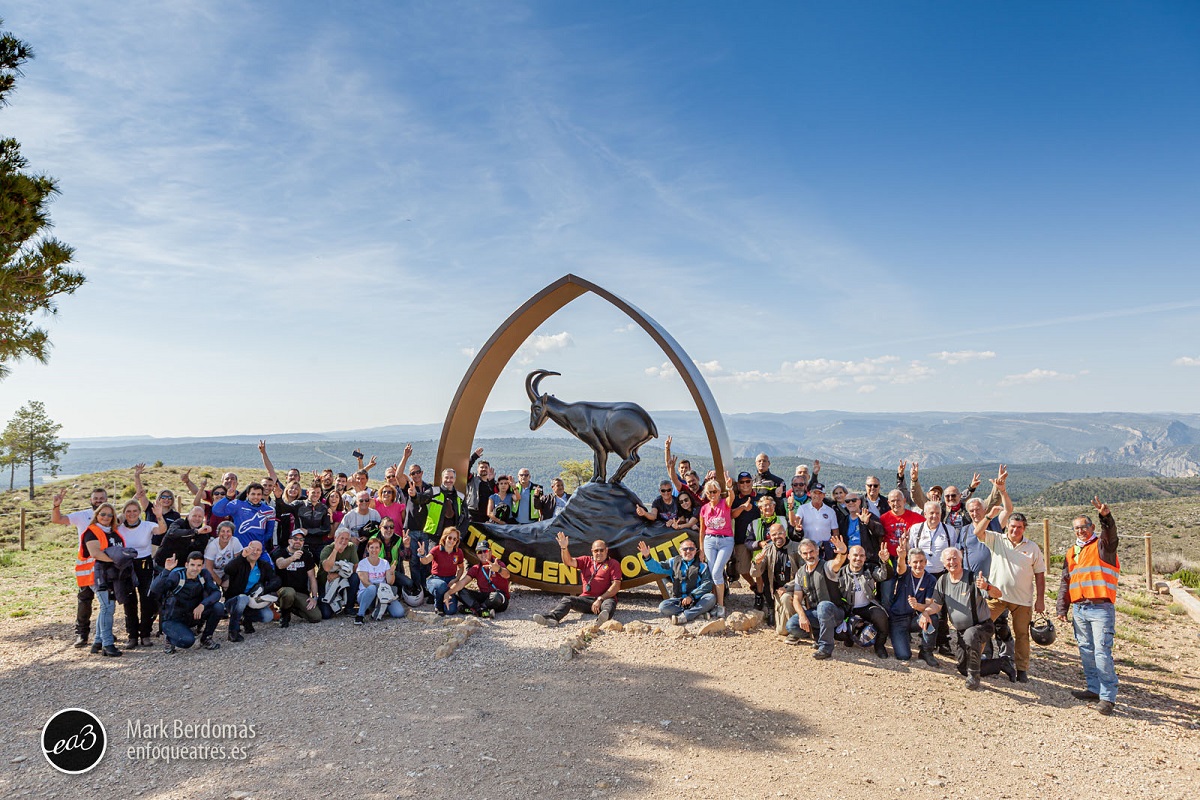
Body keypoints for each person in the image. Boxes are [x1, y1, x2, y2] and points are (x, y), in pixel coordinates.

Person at [918, 548, 1016, 689]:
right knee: (963, 668)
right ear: (944, 564)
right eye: (948, 560)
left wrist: (987, 587)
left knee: (971, 636)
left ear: (961, 559)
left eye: (954, 558)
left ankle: (974, 677)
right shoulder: (943, 580)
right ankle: (1001, 663)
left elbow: (998, 594)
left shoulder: (973, 578)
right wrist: (926, 613)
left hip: (982, 626)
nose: (952, 562)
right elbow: (936, 605)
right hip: (962, 631)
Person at [1057, 497, 1120, 715]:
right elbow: (1067, 580)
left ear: (1092, 527)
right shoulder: (1072, 551)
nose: (1080, 531)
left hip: (1100, 607)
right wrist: (1061, 608)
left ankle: (1107, 697)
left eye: (1084, 527)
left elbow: (1111, 535)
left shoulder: (1103, 546)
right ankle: (1094, 689)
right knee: (1086, 650)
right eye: (1077, 528)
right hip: (1080, 609)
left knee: (1102, 652)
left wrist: (1106, 517)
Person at [974, 507, 1045, 683]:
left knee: (1022, 635)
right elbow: (977, 532)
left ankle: (1022, 669)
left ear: (1024, 528)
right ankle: (974, 664)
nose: (1015, 530)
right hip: (996, 596)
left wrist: (1041, 600)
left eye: (1019, 527)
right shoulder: (997, 539)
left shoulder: (1032, 548)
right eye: (1012, 526)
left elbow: (1040, 574)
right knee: (983, 628)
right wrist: (990, 515)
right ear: (1008, 526)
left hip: (1022, 600)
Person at [52, 484, 108, 647]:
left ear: (106, 500)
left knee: (106, 600)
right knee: (85, 598)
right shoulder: (82, 515)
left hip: (104, 561)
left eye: (101, 499)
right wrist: (56, 506)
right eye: (96, 498)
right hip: (86, 563)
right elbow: (57, 519)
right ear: (91, 500)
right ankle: (82, 634)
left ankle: (105, 633)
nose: (98, 501)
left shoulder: (109, 515)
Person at [534, 532, 621, 626]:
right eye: (596, 551)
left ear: (606, 550)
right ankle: (552, 618)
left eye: (601, 550)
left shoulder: (613, 563)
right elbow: (569, 562)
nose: (599, 553)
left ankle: (602, 620)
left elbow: (616, 586)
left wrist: (600, 599)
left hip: (604, 599)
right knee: (567, 600)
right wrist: (564, 548)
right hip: (586, 600)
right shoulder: (586, 560)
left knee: (609, 604)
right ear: (592, 551)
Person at [785, 534, 848, 659]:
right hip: (815, 614)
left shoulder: (826, 567)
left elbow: (838, 562)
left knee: (823, 606)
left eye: (811, 551)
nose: (809, 556)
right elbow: (797, 599)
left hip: (835, 612)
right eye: (805, 553)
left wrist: (843, 552)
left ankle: (825, 647)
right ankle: (818, 634)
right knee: (791, 625)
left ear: (817, 550)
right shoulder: (800, 573)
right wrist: (803, 616)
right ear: (801, 555)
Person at [149, 551, 224, 653]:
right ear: (186, 565)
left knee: (218, 607)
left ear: (202, 566)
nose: (195, 568)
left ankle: (206, 638)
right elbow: (155, 589)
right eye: (192, 565)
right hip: (173, 619)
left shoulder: (203, 575)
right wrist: (167, 570)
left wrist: (203, 605)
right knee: (188, 641)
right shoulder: (177, 575)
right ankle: (170, 638)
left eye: (198, 565)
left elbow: (216, 592)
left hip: (192, 614)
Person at [117, 497, 166, 648]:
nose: (132, 514)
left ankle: (145, 634)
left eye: (135, 511)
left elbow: (162, 530)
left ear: (140, 512)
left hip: (144, 564)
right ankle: (132, 636)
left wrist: (159, 515)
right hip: (126, 566)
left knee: (147, 599)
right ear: (124, 513)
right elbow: (110, 524)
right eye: (128, 511)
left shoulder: (147, 525)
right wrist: (119, 517)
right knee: (129, 601)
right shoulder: (118, 527)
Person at [80, 503, 128, 657]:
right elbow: (95, 553)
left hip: (110, 574)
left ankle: (98, 641)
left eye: (109, 515)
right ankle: (108, 644)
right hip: (96, 574)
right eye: (103, 514)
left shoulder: (112, 532)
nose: (106, 517)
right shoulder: (92, 532)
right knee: (108, 607)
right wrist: (119, 560)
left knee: (105, 607)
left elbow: (123, 514)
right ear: (97, 514)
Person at [638, 538, 716, 624]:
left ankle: (685, 616)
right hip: (679, 600)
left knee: (710, 598)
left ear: (695, 551)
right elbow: (657, 568)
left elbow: (707, 584)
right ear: (680, 551)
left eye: (691, 549)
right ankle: (697, 613)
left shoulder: (702, 566)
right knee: (663, 607)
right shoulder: (673, 562)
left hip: (696, 599)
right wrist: (647, 557)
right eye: (685, 549)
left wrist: (692, 596)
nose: (688, 551)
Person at [837, 542, 893, 658]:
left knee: (881, 616)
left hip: (867, 606)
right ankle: (849, 638)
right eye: (855, 555)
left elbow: (884, 575)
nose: (858, 558)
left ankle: (879, 646)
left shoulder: (869, 569)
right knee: (840, 630)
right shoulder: (840, 573)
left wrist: (885, 562)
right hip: (849, 609)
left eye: (862, 556)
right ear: (848, 556)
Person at [222, 540, 282, 642]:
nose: (255, 552)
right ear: (247, 548)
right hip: (235, 601)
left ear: (261, 552)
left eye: (258, 550)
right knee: (243, 598)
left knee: (268, 616)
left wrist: (263, 590)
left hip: (253, 601)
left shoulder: (263, 565)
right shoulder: (239, 562)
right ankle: (233, 631)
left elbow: (276, 580)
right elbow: (227, 569)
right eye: (253, 549)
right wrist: (242, 556)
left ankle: (246, 620)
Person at [889, 547, 939, 666]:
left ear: (926, 562)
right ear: (909, 563)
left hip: (915, 618)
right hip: (899, 619)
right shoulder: (905, 573)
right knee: (904, 656)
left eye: (921, 561)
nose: (918, 565)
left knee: (933, 617)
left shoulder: (930, 579)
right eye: (915, 562)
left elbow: (928, 604)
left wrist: (918, 607)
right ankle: (899, 635)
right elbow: (900, 567)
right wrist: (901, 557)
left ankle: (926, 651)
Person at [749, 522, 801, 634]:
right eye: (774, 535)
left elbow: (803, 574)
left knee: (786, 598)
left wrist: (787, 587)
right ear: (770, 536)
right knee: (781, 631)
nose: (777, 537)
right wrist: (756, 562)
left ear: (785, 533)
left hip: (795, 589)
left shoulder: (797, 548)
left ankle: (795, 630)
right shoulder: (768, 550)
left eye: (780, 533)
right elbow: (755, 573)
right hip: (777, 591)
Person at [698, 473, 736, 618]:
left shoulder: (725, 503)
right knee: (713, 573)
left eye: (715, 491)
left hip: (725, 541)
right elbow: (702, 530)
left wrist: (730, 486)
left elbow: (731, 498)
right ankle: (713, 603)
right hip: (709, 541)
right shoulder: (704, 509)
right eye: (709, 492)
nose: (712, 494)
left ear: (720, 492)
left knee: (716, 572)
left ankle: (721, 606)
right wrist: (701, 549)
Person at [742, 494, 788, 609]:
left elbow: (790, 537)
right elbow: (747, 542)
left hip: (780, 555)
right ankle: (760, 596)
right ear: (760, 508)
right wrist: (759, 544)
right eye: (764, 506)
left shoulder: (783, 520)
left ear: (774, 506)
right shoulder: (754, 523)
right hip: (761, 556)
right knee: (761, 578)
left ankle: (777, 602)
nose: (767, 508)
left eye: (770, 505)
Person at [448, 540, 512, 617]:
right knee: (459, 591)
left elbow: (507, 575)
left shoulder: (498, 564)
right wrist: (447, 593)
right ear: (476, 554)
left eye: (485, 551)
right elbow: (462, 582)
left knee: (496, 596)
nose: (483, 554)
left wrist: (499, 569)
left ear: (490, 552)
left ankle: (474, 609)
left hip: (499, 599)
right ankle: (482, 611)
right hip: (484, 597)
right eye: (479, 552)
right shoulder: (476, 568)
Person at [272, 531, 321, 626]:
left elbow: (312, 578)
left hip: (300, 593)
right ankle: (285, 614)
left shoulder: (306, 555)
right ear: (289, 540)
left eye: (301, 540)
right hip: (283, 591)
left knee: (316, 617)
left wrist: (314, 597)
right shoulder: (280, 552)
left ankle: (293, 608)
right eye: (295, 539)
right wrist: (292, 558)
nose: (298, 541)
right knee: (289, 592)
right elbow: (280, 565)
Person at [355, 538, 406, 624]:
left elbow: (390, 582)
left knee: (399, 613)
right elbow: (365, 582)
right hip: (367, 594)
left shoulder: (385, 563)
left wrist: (391, 573)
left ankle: (381, 608)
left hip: (383, 594)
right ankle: (360, 615)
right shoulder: (362, 563)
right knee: (372, 588)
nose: (374, 550)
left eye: (376, 547)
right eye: (371, 547)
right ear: (367, 549)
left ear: (380, 549)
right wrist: (378, 589)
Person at [212, 482, 277, 549]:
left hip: (257, 550)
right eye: (253, 494)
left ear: (262, 495)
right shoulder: (238, 504)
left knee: (267, 560)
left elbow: (269, 533)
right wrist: (228, 497)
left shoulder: (269, 510)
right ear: (247, 494)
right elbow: (216, 511)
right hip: (238, 548)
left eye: (259, 494)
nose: (256, 497)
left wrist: (258, 545)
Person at [420, 526, 466, 615]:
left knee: (451, 611)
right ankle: (438, 606)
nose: (452, 541)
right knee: (441, 586)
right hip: (436, 579)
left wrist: (456, 579)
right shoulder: (436, 549)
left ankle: (444, 599)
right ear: (444, 537)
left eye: (455, 539)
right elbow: (425, 561)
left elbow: (461, 568)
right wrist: (421, 555)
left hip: (451, 580)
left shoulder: (458, 552)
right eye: (449, 537)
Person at [154, 506, 213, 572]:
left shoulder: (203, 535)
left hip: (182, 570)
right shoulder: (179, 523)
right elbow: (172, 533)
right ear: (188, 517)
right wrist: (195, 532)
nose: (197, 519)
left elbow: (198, 554)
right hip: (162, 566)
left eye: (200, 517)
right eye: (194, 516)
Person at [318, 529, 360, 619]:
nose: (344, 541)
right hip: (326, 584)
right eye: (341, 538)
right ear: (335, 538)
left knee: (355, 577)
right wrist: (335, 550)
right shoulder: (327, 549)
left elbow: (355, 567)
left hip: (342, 581)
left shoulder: (351, 547)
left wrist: (338, 575)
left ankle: (349, 607)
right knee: (326, 615)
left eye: (346, 539)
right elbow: (327, 568)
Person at [790, 483, 839, 558]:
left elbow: (835, 532)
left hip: (824, 548)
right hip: (808, 548)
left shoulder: (830, 511)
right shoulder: (803, 508)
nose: (817, 495)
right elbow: (793, 523)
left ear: (824, 495)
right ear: (810, 494)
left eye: (820, 493)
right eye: (815, 493)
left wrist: (833, 546)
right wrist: (790, 509)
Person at [203, 520, 242, 586]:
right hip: (212, 573)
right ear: (218, 533)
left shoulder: (235, 541)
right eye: (223, 531)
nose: (225, 534)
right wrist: (221, 583)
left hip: (227, 572)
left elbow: (239, 562)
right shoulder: (212, 546)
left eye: (228, 531)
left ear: (232, 533)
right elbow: (208, 568)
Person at [463, 447, 494, 524]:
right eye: (481, 467)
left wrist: (491, 481)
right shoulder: (472, 479)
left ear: (489, 469)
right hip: (473, 513)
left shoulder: (492, 483)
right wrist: (474, 457)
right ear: (477, 469)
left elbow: (496, 494)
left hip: (487, 515)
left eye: (486, 467)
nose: (484, 469)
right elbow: (466, 468)